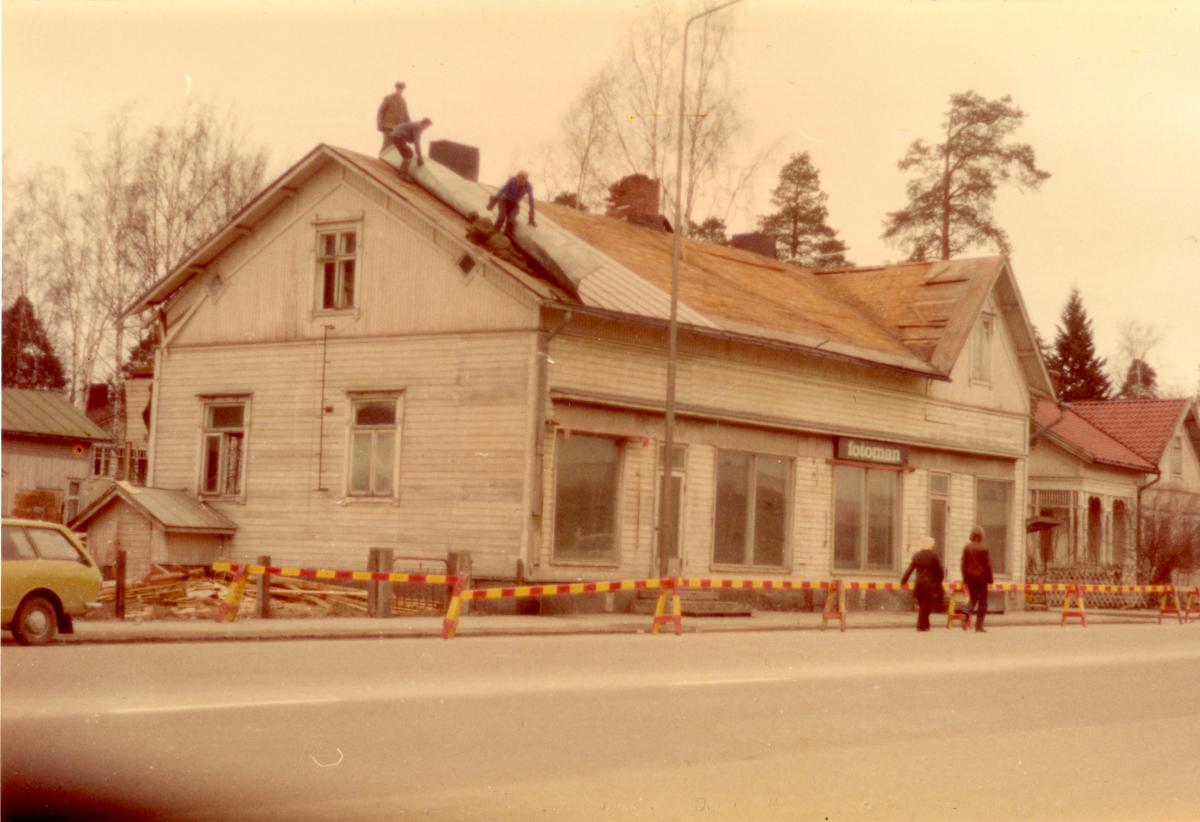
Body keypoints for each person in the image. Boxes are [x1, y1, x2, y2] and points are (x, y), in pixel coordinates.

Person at [900, 537, 945, 631]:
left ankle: (926, 625)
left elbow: (910, 569)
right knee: (927, 606)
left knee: (922, 605)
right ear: (931, 545)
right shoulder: (934, 556)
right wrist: (938, 581)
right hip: (930, 584)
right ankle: (920, 625)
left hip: (919, 584)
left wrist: (903, 580)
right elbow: (940, 571)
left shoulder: (917, 556)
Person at [960, 526, 994, 632]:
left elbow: (963, 564)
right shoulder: (984, 548)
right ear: (981, 536)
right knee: (983, 601)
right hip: (982, 578)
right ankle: (979, 626)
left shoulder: (967, 547)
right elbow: (988, 565)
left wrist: (965, 579)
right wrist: (990, 579)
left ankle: (965, 612)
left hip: (970, 577)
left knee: (973, 598)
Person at [487, 171, 537, 236]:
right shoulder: (512, 180)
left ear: (526, 180)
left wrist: (531, 218)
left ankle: (507, 236)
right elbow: (502, 190)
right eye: (518, 180)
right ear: (517, 177)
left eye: (522, 180)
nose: (520, 182)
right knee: (502, 217)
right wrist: (492, 203)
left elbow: (531, 200)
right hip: (504, 201)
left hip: (514, 205)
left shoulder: (528, 186)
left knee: (511, 221)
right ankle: (494, 232)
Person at [377, 82, 411, 151]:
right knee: (387, 144)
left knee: (395, 146)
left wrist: (410, 128)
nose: (400, 90)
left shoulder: (403, 101)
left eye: (402, 88)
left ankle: (386, 160)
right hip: (388, 126)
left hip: (398, 128)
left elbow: (406, 116)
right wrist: (379, 123)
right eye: (399, 88)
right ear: (396, 88)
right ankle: (380, 159)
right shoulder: (388, 98)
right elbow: (381, 111)